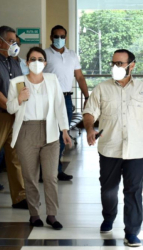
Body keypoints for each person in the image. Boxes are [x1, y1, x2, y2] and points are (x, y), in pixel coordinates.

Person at [83, 49, 143, 247]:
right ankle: (109, 216)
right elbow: (89, 112)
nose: (116, 67)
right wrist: (90, 128)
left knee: (133, 192)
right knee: (108, 190)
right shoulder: (101, 88)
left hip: (136, 150)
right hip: (110, 148)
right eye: (113, 63)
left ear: (132, 65)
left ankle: (132, 232)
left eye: (120, 63)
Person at [6, 47, 72, 229]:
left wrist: (64, 130)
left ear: (45, 63)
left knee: (51, 176)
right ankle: (34, 214)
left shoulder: (51, 80)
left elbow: (60, 105)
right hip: (26, 131)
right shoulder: (17, 82)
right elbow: (10, 108)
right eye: (32, 59)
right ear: (26, 63)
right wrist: (19, 98)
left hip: (50, 131)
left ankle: (52, 214)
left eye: (40, 59)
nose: (36, 62)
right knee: (30, 176)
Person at [44, 25, 90, 181]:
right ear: (51, 37)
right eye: (56, 36)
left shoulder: (72, 55)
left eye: (62, 36)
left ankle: (56, 170)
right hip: (49, 98)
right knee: (48, 135)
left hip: (67, 99)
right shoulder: (45, 54)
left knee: (63, 134)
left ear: (66, 37)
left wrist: (86, 96)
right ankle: (45, 171)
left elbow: (80, 77)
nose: (59, 39)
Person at [0, 25, 28, 209]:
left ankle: (20, 197)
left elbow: (21, 88)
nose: (15, 44)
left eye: (15, 41)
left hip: (15, 116)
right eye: (12, 41)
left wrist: (20, 110)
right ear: (0, 42)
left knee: (15, 156)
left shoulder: (14, 62)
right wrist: (11, 107)